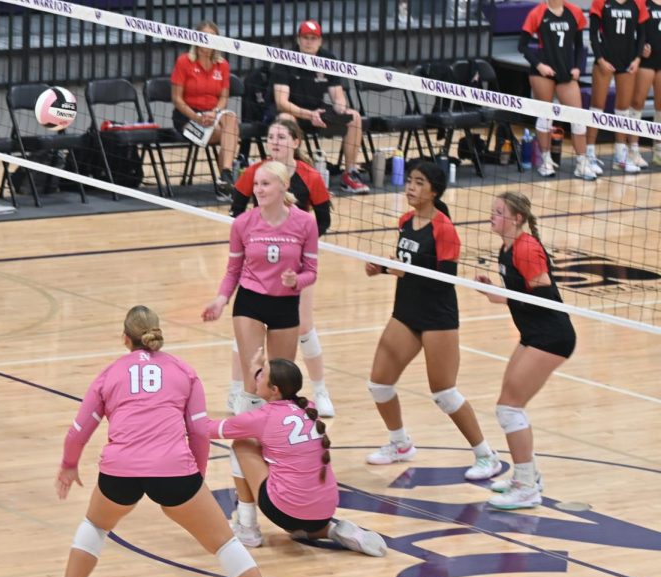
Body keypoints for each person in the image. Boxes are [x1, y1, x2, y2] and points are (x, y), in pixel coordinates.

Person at [44, 306, 318, 577]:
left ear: (125, 339)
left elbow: (78, 430)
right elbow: (198, 433)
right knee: (224, 544)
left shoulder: (109, 373)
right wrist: (196, 478)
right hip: (174, 471)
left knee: (96, 526)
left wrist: (69, 465)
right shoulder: (184, 372)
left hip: (120, 470)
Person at [363, 158, 500, 480]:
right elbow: (405, 263)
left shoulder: (444, 229)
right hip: (406, 311)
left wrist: (399, 269)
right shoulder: (405, 220)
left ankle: (486, 455)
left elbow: (443, 279)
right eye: (410, 180)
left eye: (419, 182)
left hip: (437, 317)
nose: (411, 186)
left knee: (444, 392)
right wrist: (382, 268)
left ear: (434, 191)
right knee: (379, 383)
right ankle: (400, 444)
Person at [203, 160, 318, 541]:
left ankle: (281, 478)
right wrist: (220, 301)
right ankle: (246, 514)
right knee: (253, 394)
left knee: (280, 392)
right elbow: (232, 272)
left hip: (285, 305)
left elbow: (311, 272)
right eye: (256, 183)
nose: (258, 189)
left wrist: (295, 279)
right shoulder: (242, 224)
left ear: (283, 186)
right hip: (250, 303)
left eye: (266, 184)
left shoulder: (304, 222)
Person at [207, 355, 386, 555]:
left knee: (242, 443)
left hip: (285, 511)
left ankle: (247, 528)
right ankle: (333, 530)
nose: (256, 378)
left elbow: (207, 429)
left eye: (261, 375)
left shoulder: (263, 417)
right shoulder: (309, 407)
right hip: (324, 512)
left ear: (274, 390)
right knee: (297, 520)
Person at [475, 193, 576, 510]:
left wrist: (501, 294)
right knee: (506, 403)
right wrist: (497, 292)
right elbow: (521, 294)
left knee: (509, 408)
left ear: (517, 218)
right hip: (533, 333)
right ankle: (525, 476)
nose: (492, 215)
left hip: (551, 337)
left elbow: (542, 293)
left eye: (499, 211)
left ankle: (528, 487)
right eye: (492, 210)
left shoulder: (526, 247)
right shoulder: (506, 248)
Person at [231, 115, 335, 418]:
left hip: (296, 266)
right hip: (260, 263)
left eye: (281, 137)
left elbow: (324, 218)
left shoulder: (310, 177)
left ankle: (320, 390)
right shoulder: (255, 172)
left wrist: (303, 243)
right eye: (271, 137)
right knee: (245, 330)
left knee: (304, 325)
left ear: (295, 142)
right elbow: (236, 209)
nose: (274, 142)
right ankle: (237, 389)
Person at [271, 20, 369, 194]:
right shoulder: (285, 59)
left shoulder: (327, 59)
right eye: (305, 38)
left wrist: (341, 108)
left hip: (316, 111)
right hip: (293, 112)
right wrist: (310, 115)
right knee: (286, 121)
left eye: (313, 38)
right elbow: (282, 102)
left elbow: (337, 95)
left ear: (320, 41)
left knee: (354, 117)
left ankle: (350, 174)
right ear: (298, 39)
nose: (309, 42)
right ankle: (288, 176)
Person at [519, 0, 597, 180]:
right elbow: (522, 46)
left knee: (578, 119)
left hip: (566, 73)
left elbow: (580, 45)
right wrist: (539, 66)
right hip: (542, 72)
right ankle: (545, 160)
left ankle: (582, 162)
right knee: (546, 116)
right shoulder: (537, 13)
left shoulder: (575, 12)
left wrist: (578, 67)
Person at [169, 19, 241, 199]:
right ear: (195, 39)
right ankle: (226, 182)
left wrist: (215, 112)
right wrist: (196, 117)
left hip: (213, 114)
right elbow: (176, 99)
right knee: (230, 133)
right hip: (187, 117)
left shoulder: (222, 65)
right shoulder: (184, 62)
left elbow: (223, 97)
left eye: (210, 39)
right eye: (203, 38)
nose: (206, 43)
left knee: (230, 119)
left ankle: (225, 175)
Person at [587, 0, 647, 173]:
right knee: (597, 107)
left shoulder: (637, 1)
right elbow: (593, 34)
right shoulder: (601, 0)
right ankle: (589, 154)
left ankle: (620, 156)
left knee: (623, 109)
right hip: (605, 60)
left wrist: (637, 59)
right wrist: (599, 59)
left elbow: (642, 34)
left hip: (627, 61)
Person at [630, 0, 661, 168]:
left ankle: (658, 149)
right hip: (646, 61)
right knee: (637, 102)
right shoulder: (641, 0)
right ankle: (633, 149)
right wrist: (639, 47)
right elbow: (631, 30)